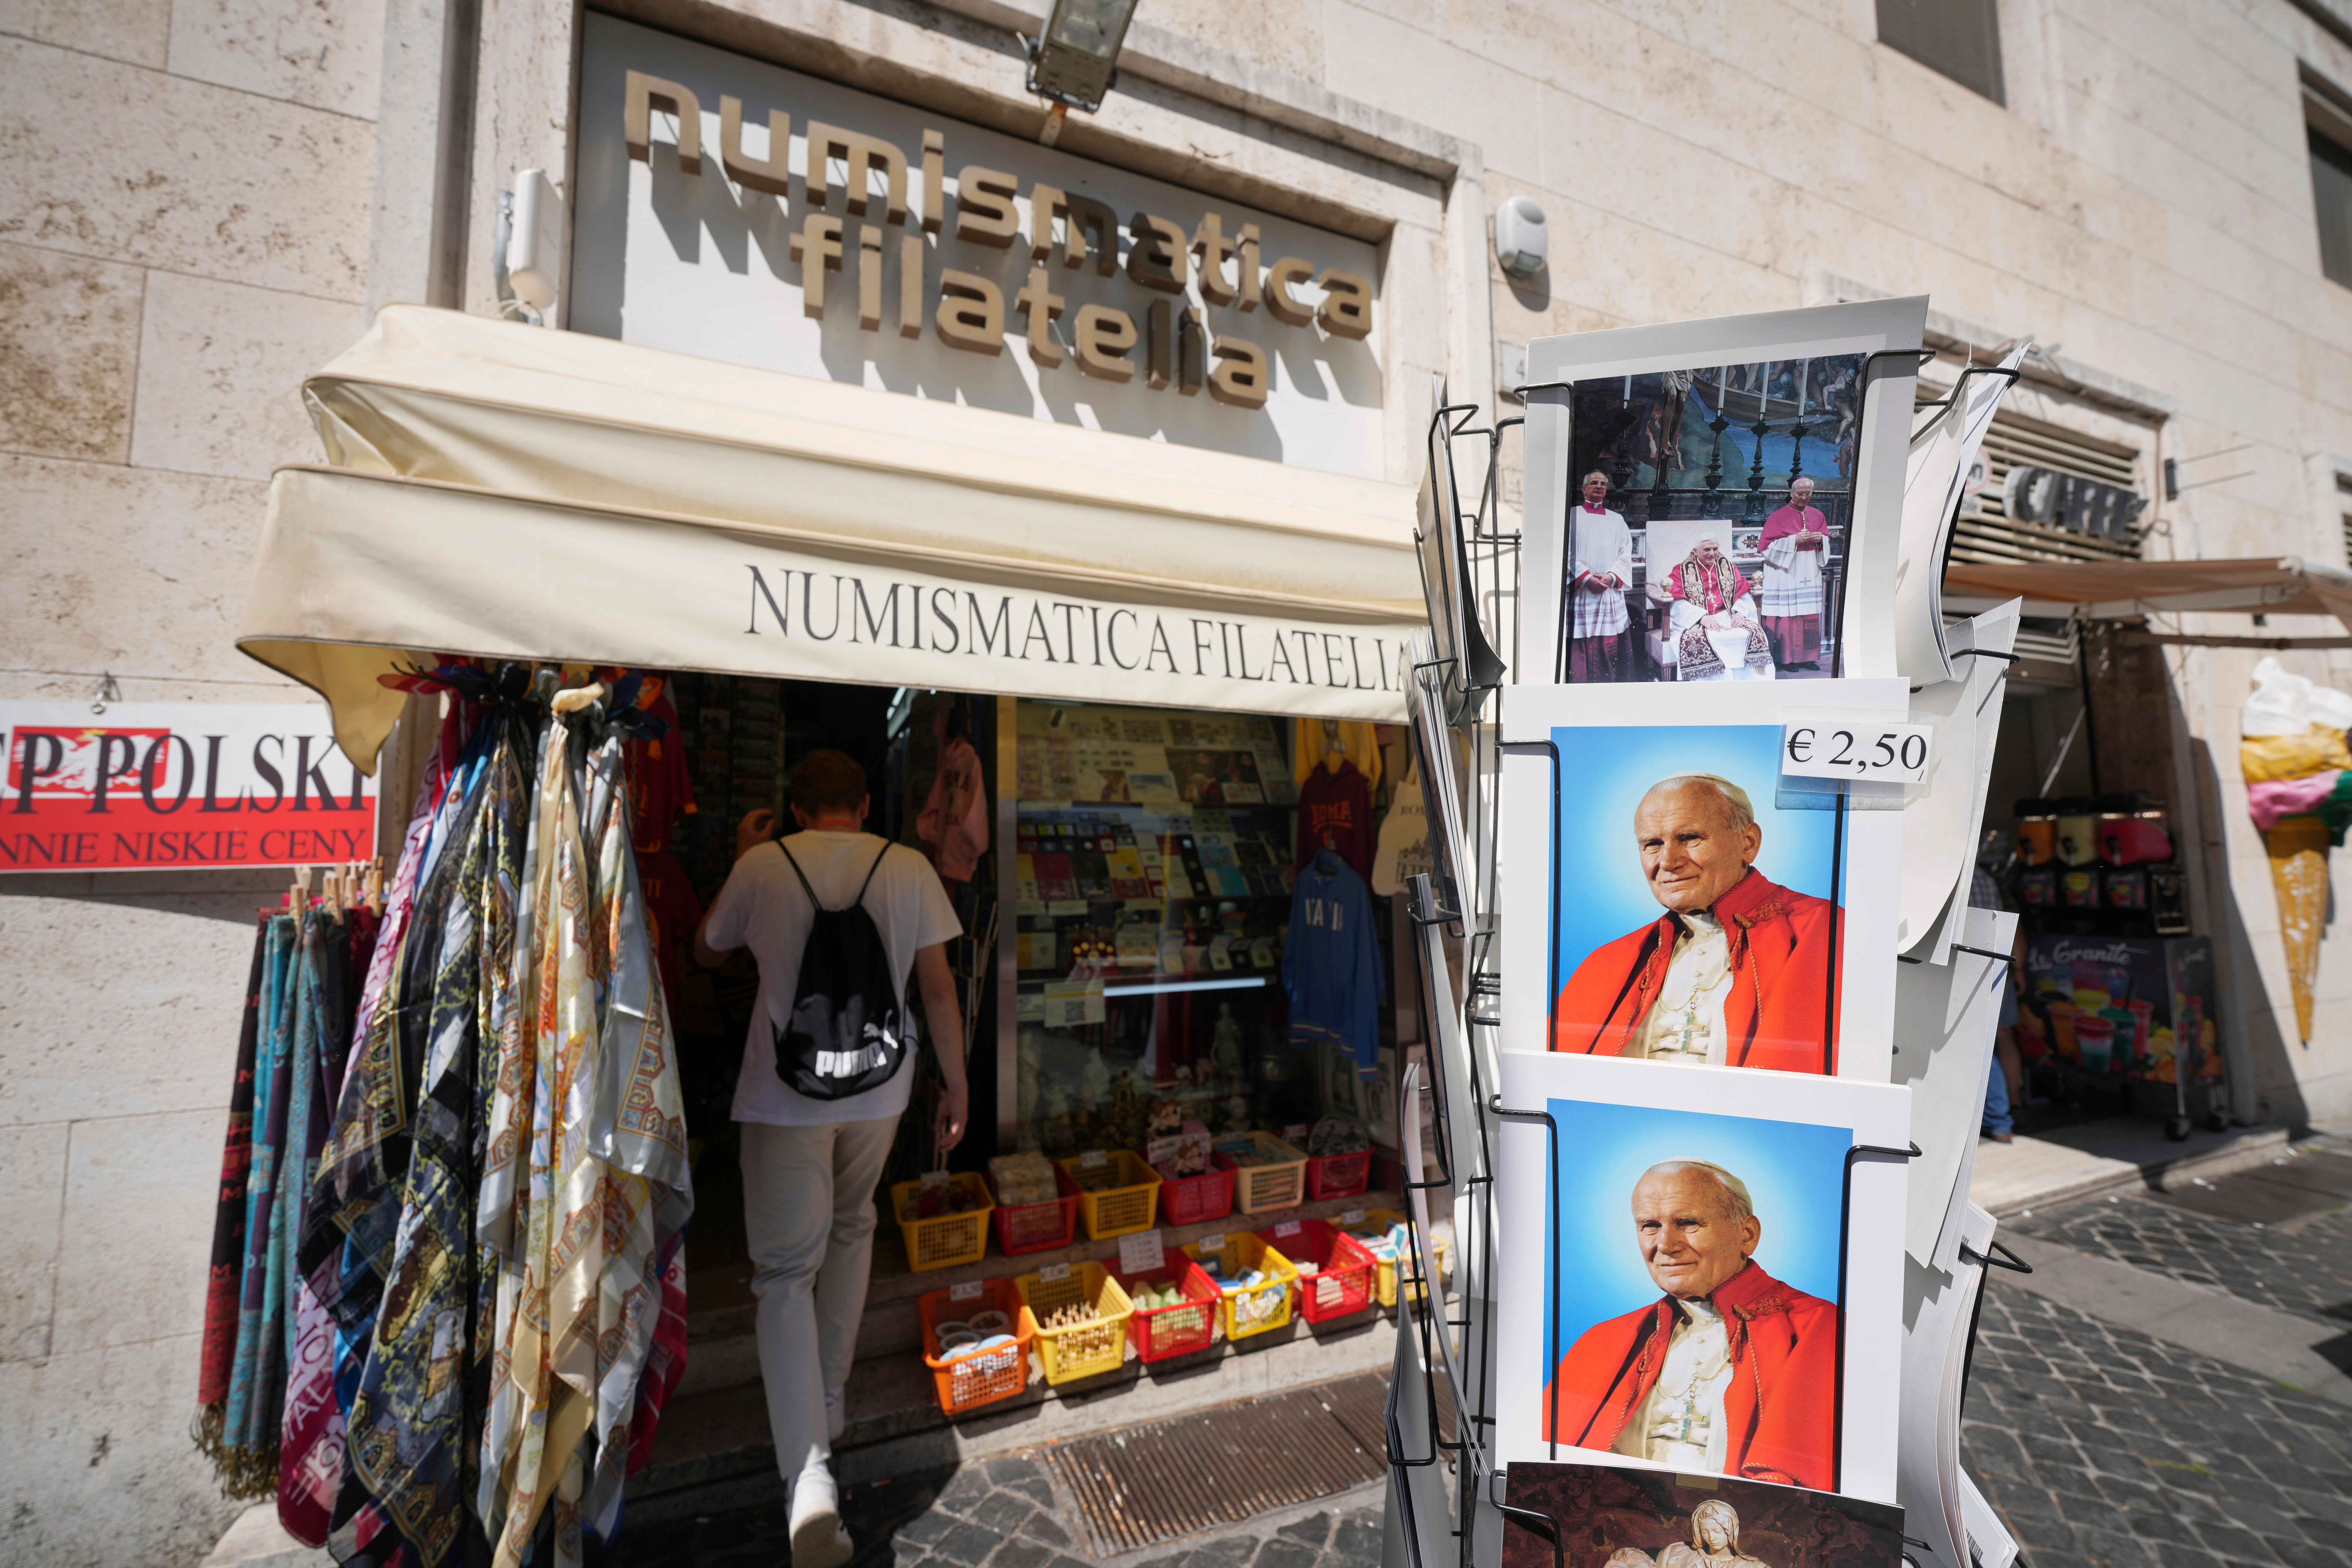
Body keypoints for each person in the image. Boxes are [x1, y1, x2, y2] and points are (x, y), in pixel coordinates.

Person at [694, 749, 967, 1568]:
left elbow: (708, 953)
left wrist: (745, 860)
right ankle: (833, 1398)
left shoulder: (765, 866)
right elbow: (940, 990)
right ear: (862, 802)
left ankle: (808, 1479)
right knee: (854, 1227)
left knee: (783, 1274)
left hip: (784, 1097)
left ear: (795, 804)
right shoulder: (908, 865)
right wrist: (953, 1086)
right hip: (882, 1090)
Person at [1543, 1160, 1839, 1491]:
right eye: (1650, 1226)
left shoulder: (1818, 1329)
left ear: (1748, 1234)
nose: (1666, 1245)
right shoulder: (1603, 1341)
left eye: (1688, 1223)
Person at [1553, 775, 1840, 1073]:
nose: (1668, 861)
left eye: (1690, 838)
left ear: (1749, 843)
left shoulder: (1826, 932)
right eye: (1652, 844)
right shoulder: (1608, 962)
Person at [1665, 537, 1774, 681]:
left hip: (1727, 615)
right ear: (1695, 552)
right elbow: (1677, 602)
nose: (1712, 553)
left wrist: (1741, 613)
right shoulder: (1681, 571)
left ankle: (1750, 683)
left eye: (1715, 549)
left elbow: (1741, 592)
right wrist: (1701, 618)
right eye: (1707, 550)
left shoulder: (1729, 568)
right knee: (1701, 640)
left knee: (1753, 633)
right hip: (1698, 620)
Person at [1564, 470, 1635, 681]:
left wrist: (1612, 577)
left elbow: (1626, 553)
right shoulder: (1571, 516)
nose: (1600, 487)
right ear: (1584, 489)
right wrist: (1586, 579)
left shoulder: (1617, 520)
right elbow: (1563, 551)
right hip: (1582, 593)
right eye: (1594, 483)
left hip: (1608, 592)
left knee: (1611, 645)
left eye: (1604, 484)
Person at [1757, 477, 1831, 670]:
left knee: (1809, 616)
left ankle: (1807, 657)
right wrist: (1793, 541)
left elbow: (1826, 542)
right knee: (1787, 616)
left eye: (1808, 494)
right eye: (1800, 494)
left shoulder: (1818, 515)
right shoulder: (1778, 517)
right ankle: (1786, 659)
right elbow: (1766, 549)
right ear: (1792, 493)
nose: (1805, 498)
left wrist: (1821, 540)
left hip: (1809, 569)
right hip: (1786, 572)